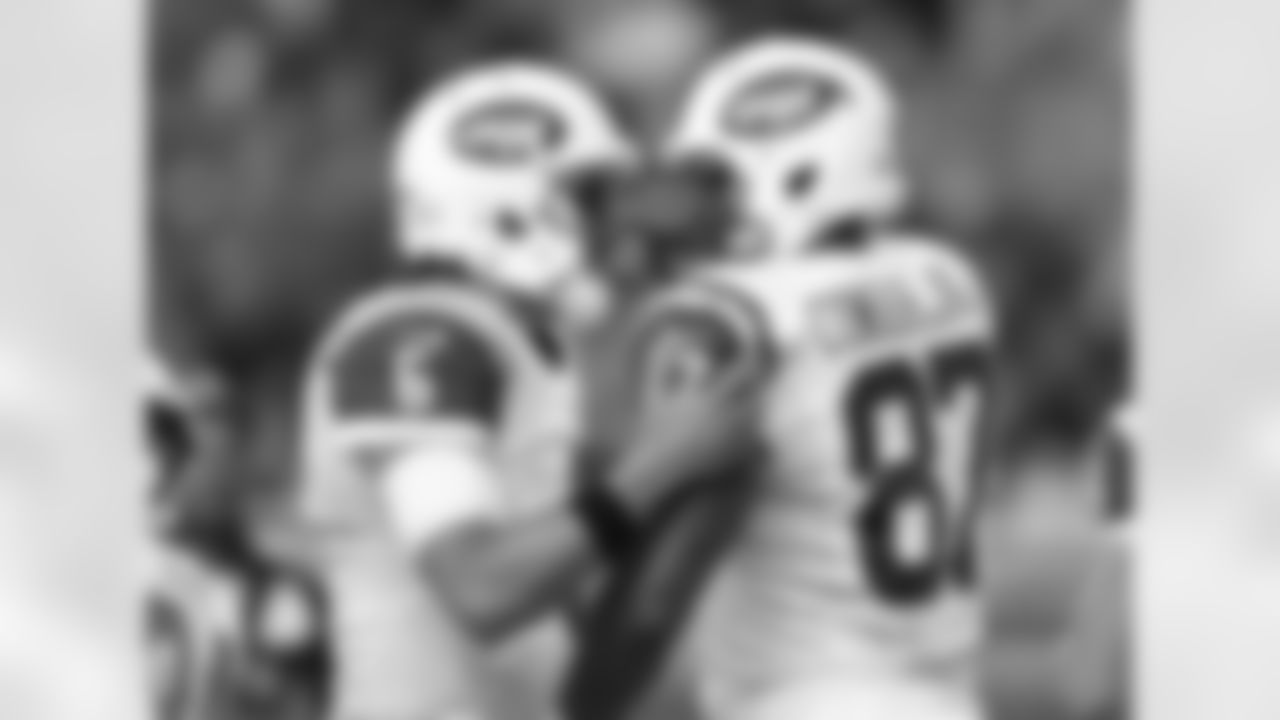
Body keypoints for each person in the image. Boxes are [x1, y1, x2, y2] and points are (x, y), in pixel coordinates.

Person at [273, 62, 768, 720]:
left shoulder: (526, 349)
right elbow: (481, 589)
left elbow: (568, 628)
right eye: (590, 196)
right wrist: (661, 464)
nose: (612, 225)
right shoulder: (415, 335)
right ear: (507, 208)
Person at [566, 36, 1000, 720]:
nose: (705, 210)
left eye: (720, 184)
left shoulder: (726, 321)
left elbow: (654, 599)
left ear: (800, 175)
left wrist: (575, 705)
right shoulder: (947, 280)